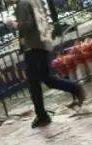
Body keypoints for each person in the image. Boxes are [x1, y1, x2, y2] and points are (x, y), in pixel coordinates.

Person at [11, 0, 84, 128]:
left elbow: (27, 26)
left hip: (32, 47)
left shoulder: (22, 4)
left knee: (33, 83)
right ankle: (75, 88)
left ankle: (42, 115)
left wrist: (14, 24)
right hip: (43, 44)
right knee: (47, 79)